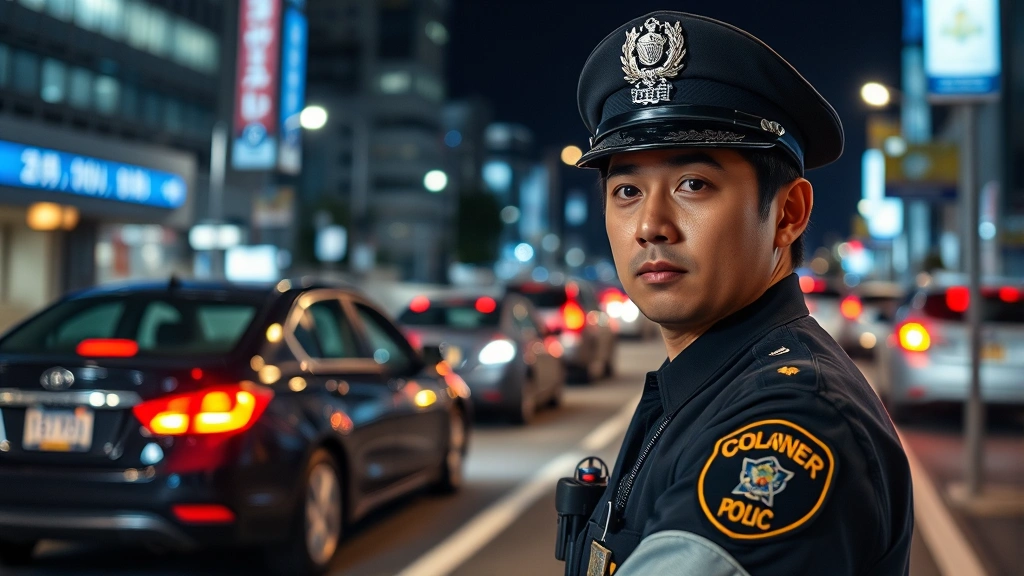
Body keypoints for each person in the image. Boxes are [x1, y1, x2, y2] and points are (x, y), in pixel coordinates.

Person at [563, 11, 913, 576]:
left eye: (693, 184)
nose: (650, 224)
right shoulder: (709, 380)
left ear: (788, 214)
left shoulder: (792, 423)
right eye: (626, 189)